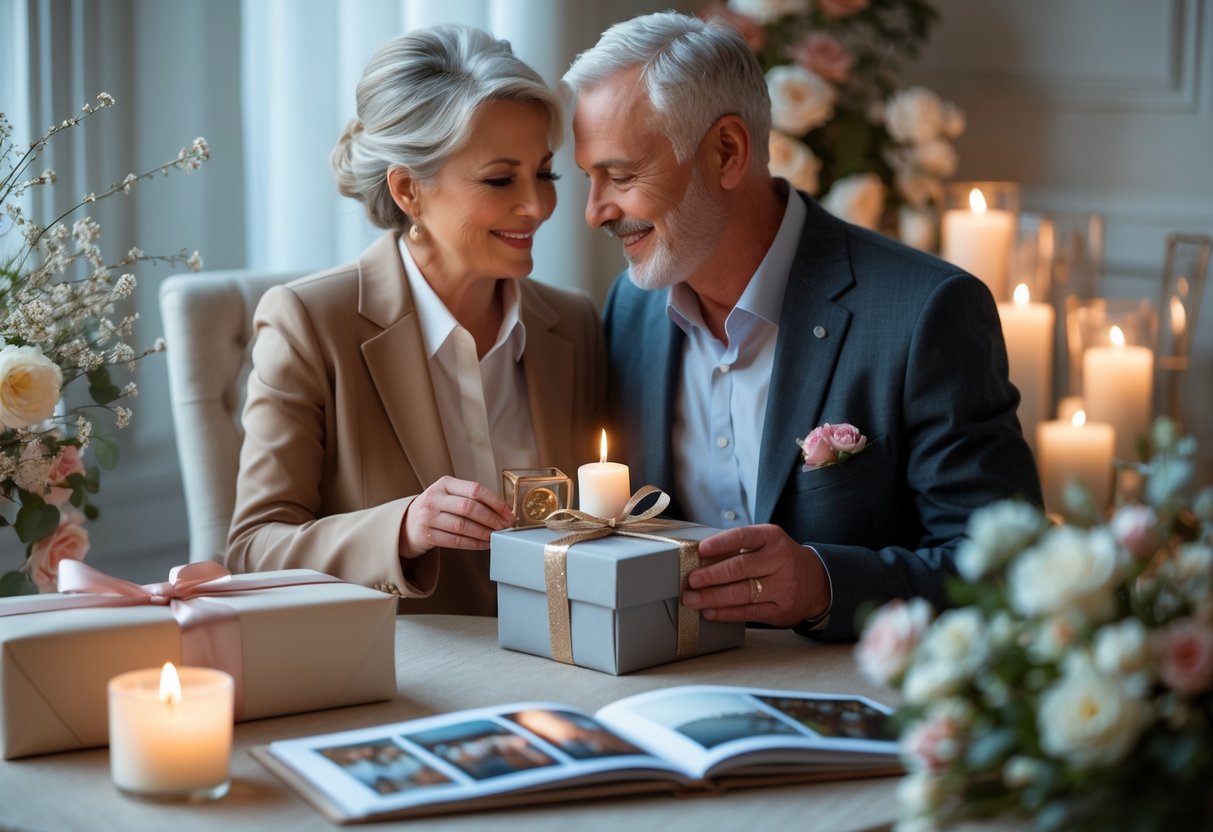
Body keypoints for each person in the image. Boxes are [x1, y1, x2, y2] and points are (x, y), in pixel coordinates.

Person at [562, 12, 1041, 641]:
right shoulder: (632, 307)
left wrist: (824, 584)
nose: (595, 211)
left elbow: (1007, 573)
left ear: (727, 152)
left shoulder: (929, 312)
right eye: (588, 178)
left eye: (620, 177)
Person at [227, 25, 605, 615]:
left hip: (565, 666)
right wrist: (403, 527)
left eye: (546, 172)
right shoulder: (307, 323)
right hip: (406, 682)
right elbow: (253, 551)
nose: (538, 205)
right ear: (408, 190)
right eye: (501, 179)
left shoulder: (573, 323)